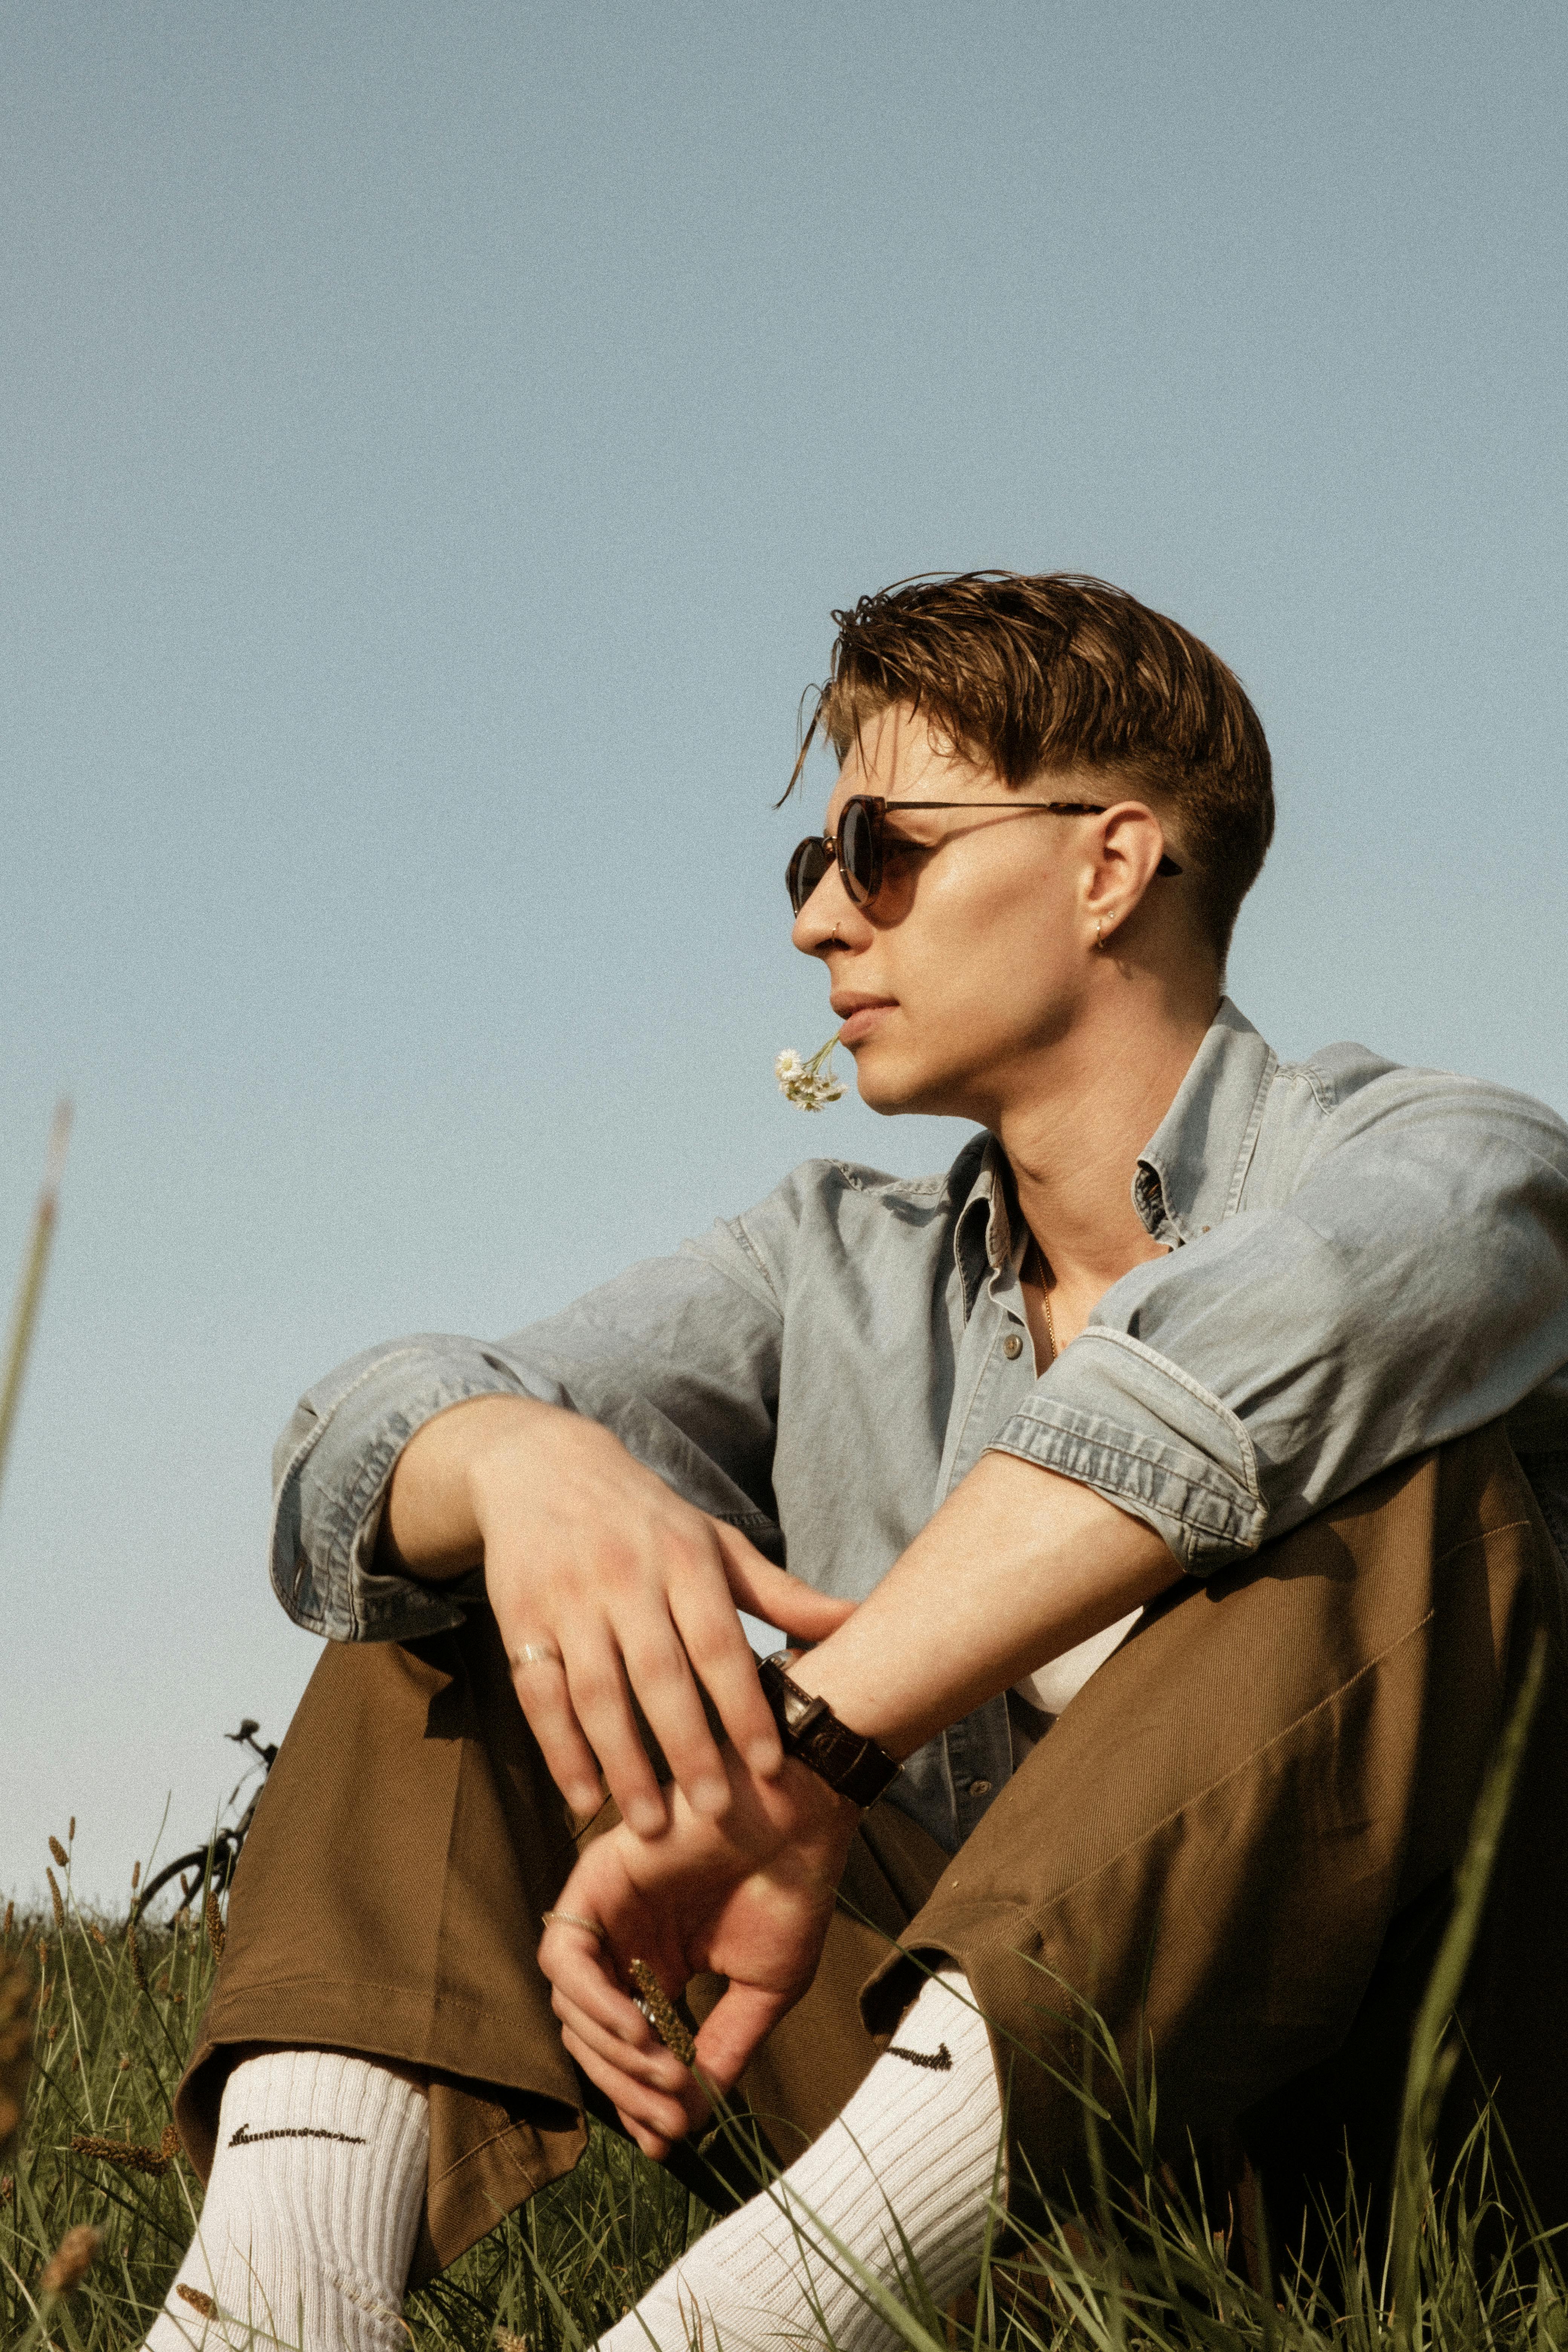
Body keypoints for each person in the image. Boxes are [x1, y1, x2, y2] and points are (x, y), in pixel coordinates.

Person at [145, 575, 1568, 2352]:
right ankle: (268, 2323)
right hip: (944, 2181)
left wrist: (816, 1752)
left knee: (1394, 1499)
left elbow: (1259, 1365)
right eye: (805, 870)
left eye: (878, 849)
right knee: (462, 1582)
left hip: (1389, 2168)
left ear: (1109, 865)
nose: (820, 922)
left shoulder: (1445, 1157)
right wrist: (513, 1462)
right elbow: (345, 1480)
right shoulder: (822, 1264)